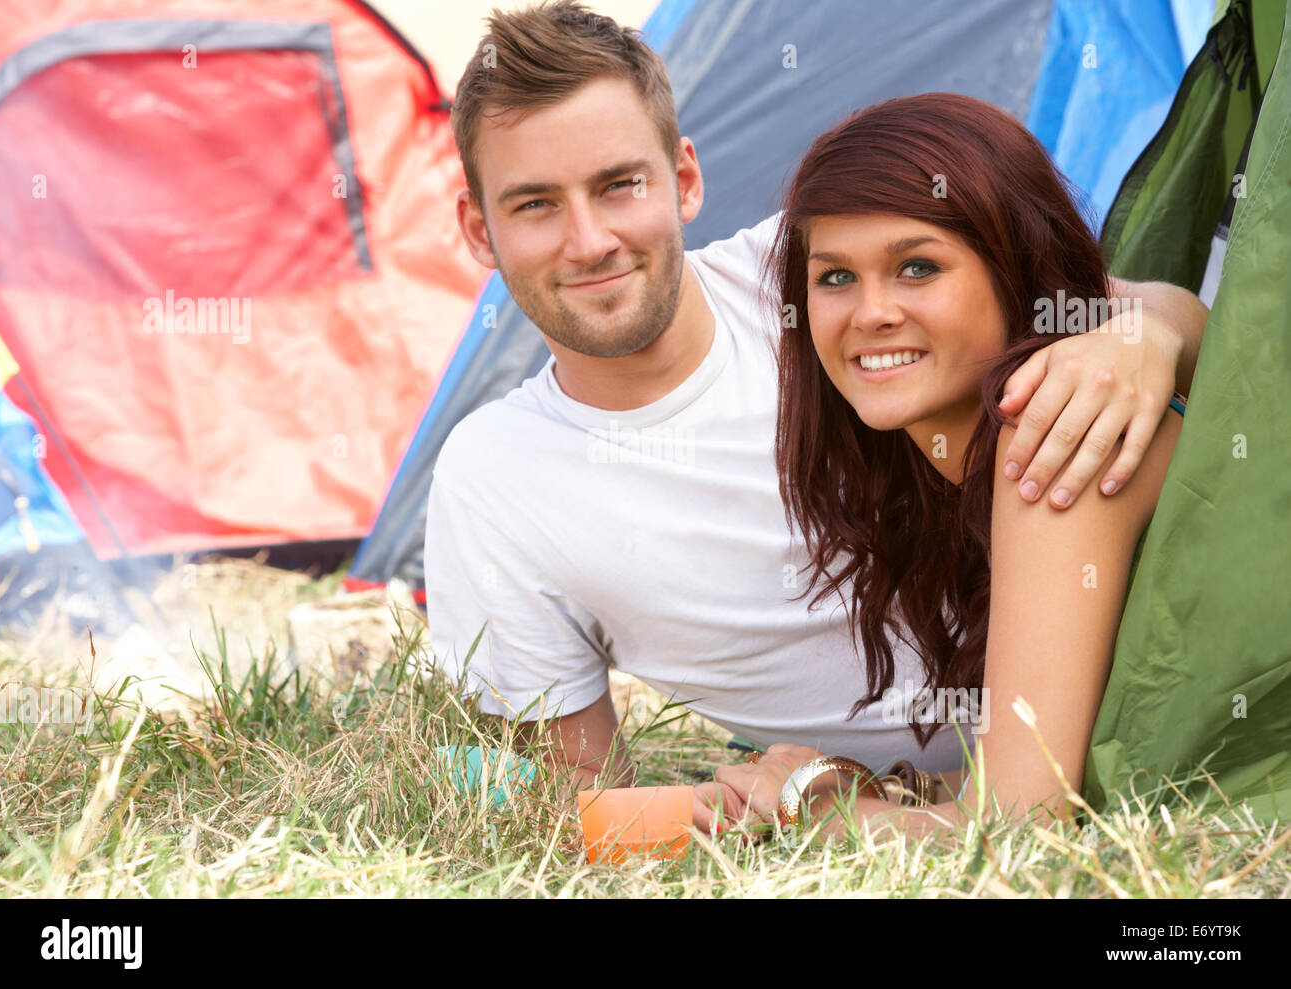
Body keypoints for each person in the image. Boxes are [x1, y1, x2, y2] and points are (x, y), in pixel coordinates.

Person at [425, 1, 1209, 796]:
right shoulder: (495, 479)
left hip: (1106, 718)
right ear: (479, 229)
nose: (590, 240)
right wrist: (748, 803)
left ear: (684, 179)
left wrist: (1146, 339)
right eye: (535, 204)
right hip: (1016, 766)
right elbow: (573, 804)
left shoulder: (820, 264)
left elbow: (1111, 306)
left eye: (620, 185)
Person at [694, 93, 1192, 834]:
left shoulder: (1056, 437)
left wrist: (802, 815)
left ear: (1015, 271)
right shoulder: (955, 460)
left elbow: (1018, 828)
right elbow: (1060, 762)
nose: (870, 313)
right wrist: (856, 783)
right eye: (835, 277)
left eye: (917, 267)